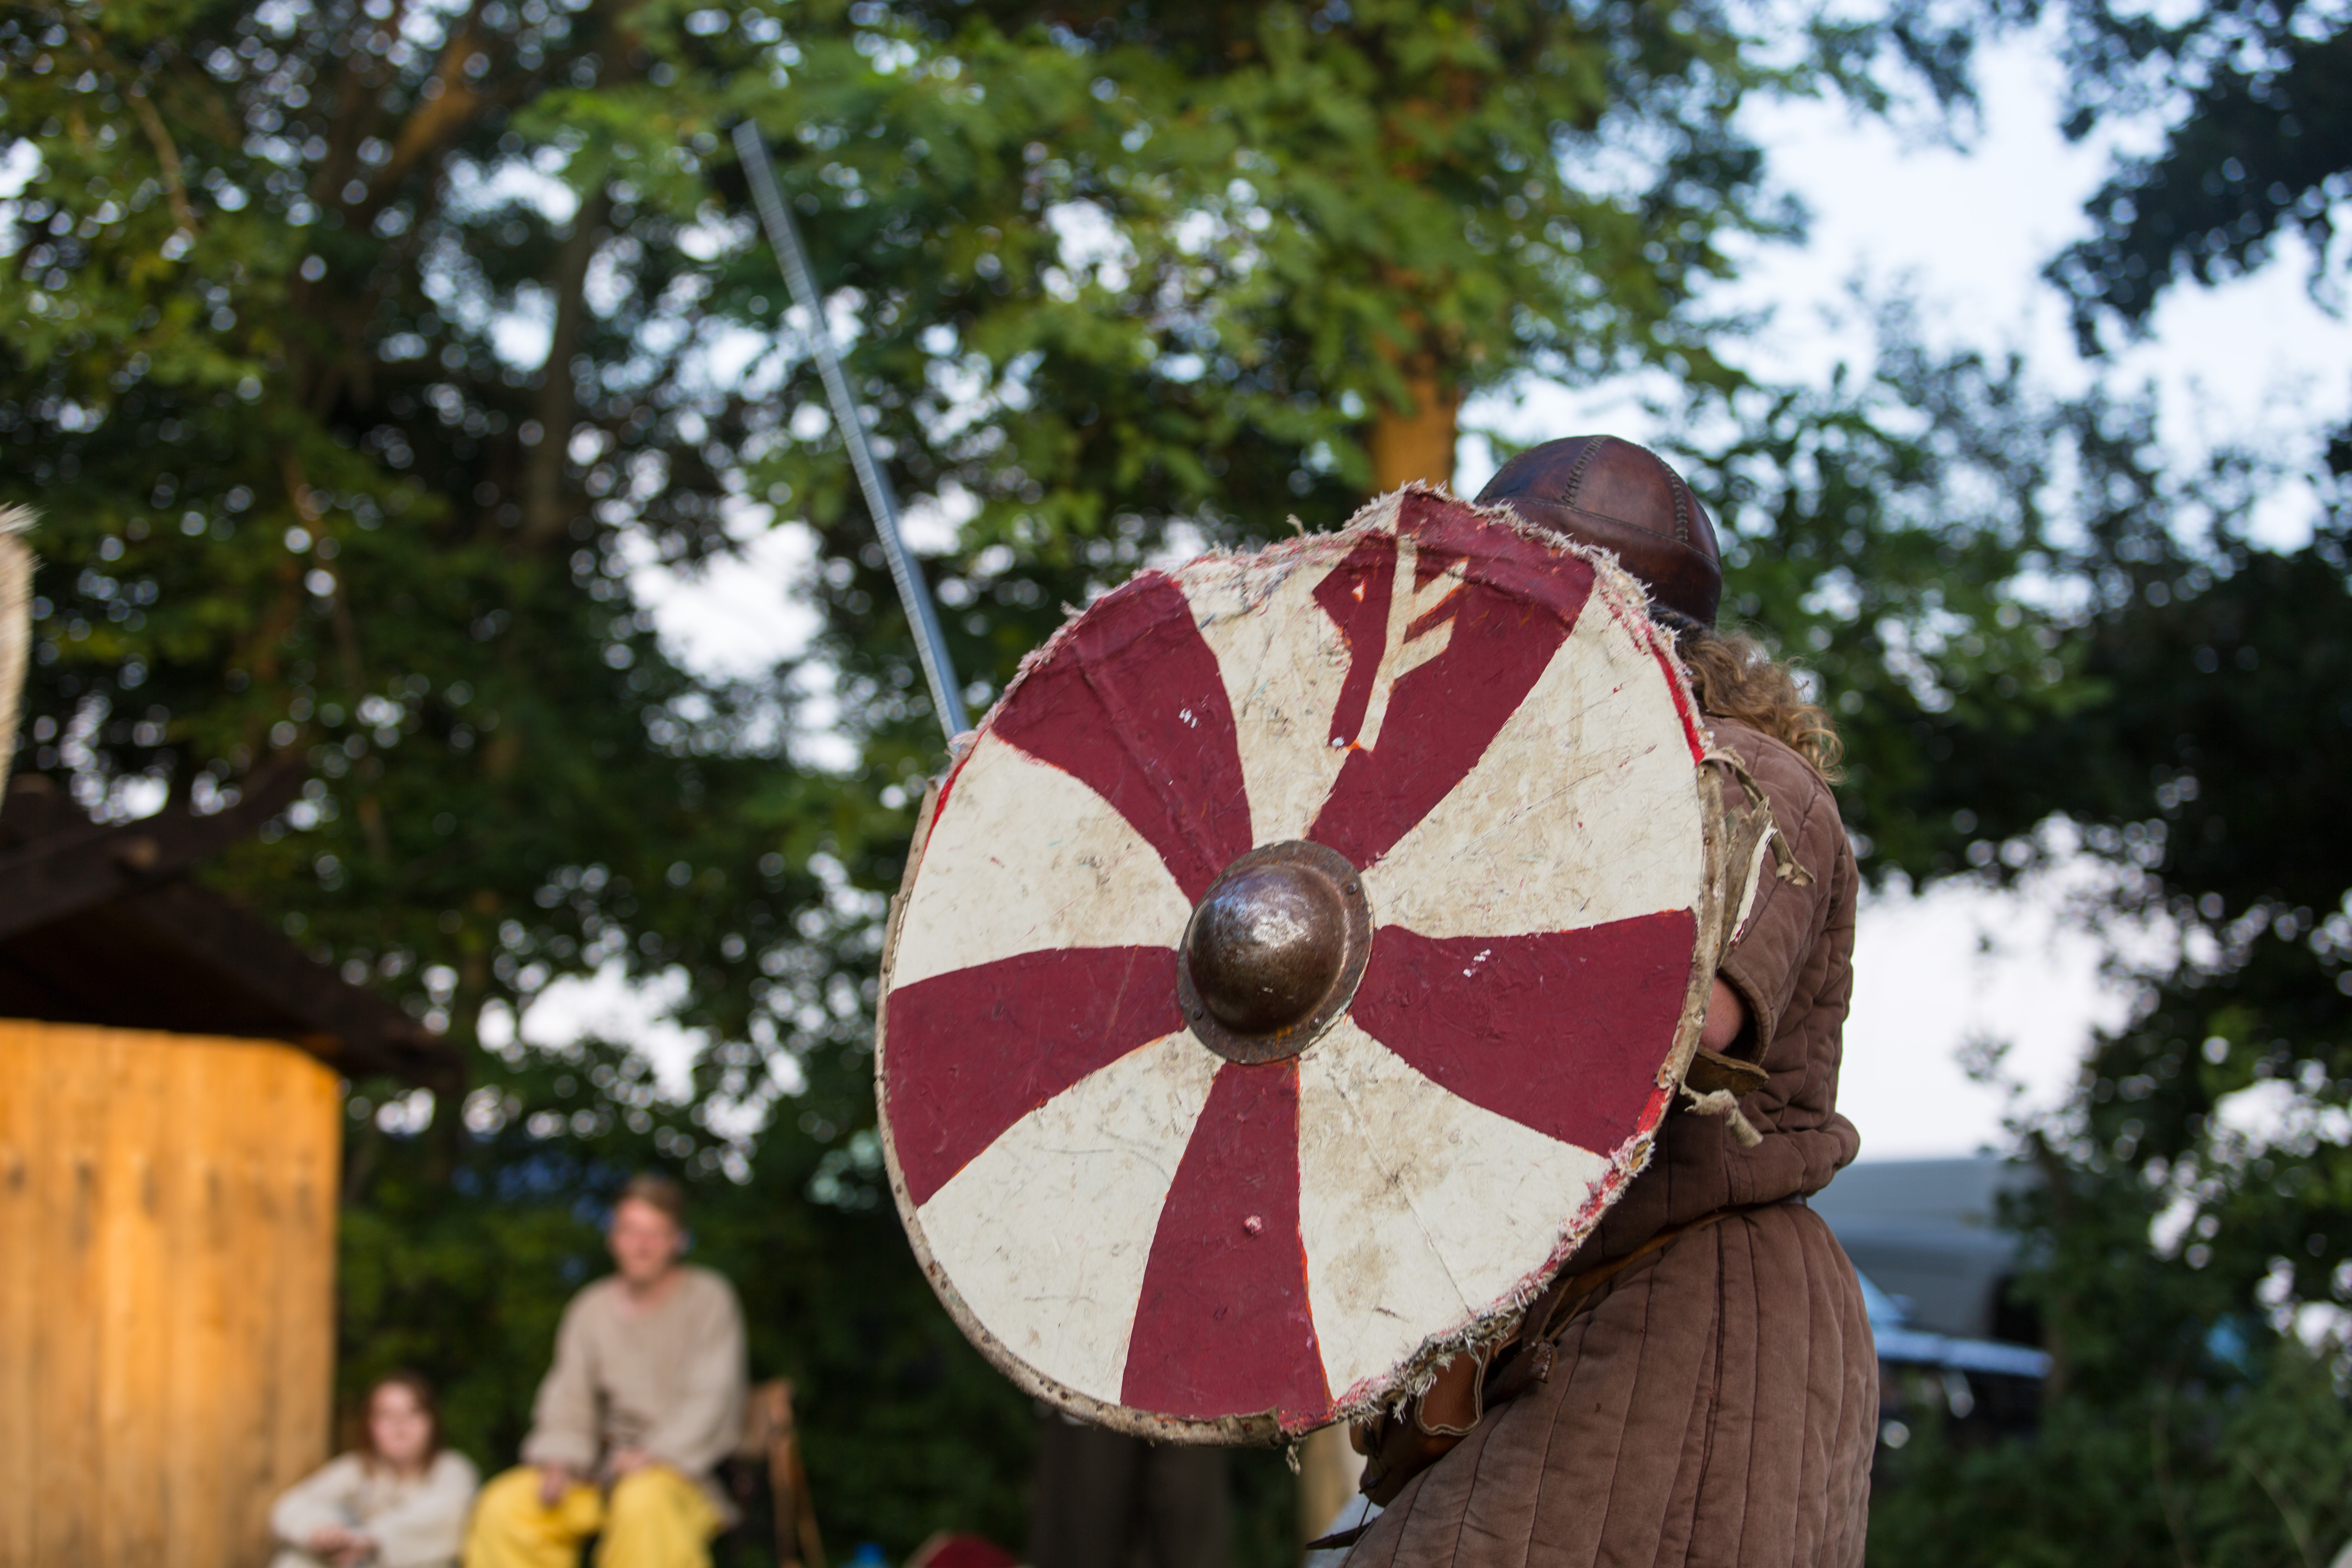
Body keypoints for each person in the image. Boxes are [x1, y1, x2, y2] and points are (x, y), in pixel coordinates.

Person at [1337, 436, 1875, 1566]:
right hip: (1561, 1326)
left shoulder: (1741, 776)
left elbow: (1691, 1020)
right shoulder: (1503, 802)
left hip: (1692, 1311)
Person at [464, 1172, 748, 1568]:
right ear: (613, 1238)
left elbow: (712, 1396)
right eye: (631, 1231)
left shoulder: (709, 1298)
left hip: (682, 1475)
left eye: (655, 1233)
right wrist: (560, 1458)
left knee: (642, 1503)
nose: (642, 1246)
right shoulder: (590, 1308)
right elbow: (568, 1396)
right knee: (503, 1506)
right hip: (600, 1474)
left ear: (678, 1240)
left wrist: (655, 1455)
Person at [270, 1371, 481, 1568]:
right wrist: (322, 1532)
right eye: (387, 1415)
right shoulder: (356, 1468)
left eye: (413, 1413)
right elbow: (293, 1505)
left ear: (433, 1421)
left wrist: (371, 1540)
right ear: (369, 1424)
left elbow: (445, 1517)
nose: (400, 1425)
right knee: (297, 1560)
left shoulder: (453, 1469)